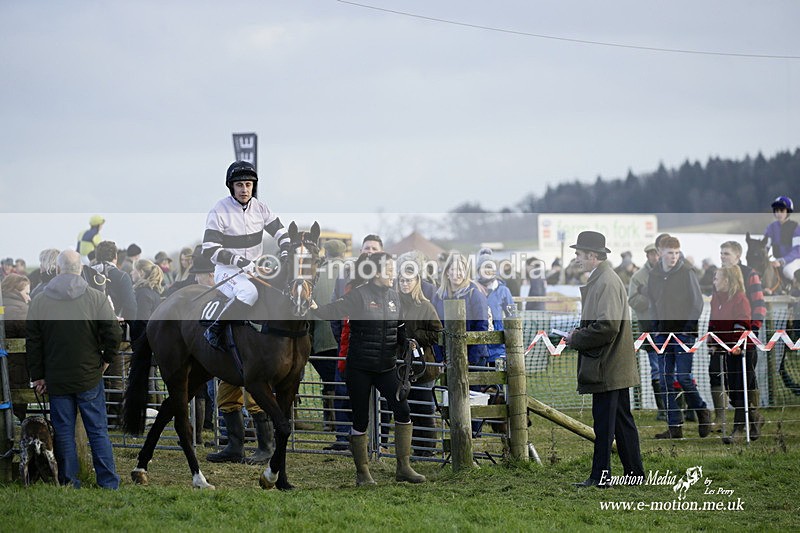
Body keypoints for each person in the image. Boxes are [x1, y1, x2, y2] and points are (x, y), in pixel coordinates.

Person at [313, 252, 426, 486]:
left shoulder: (395, 297)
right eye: (388, 269)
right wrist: (313, 305)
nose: (393, 273)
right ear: (375, 273)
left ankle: (403, 467)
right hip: (360, 368)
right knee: (360, 420)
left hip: (386, 368)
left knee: (403, 411)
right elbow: (331, 311)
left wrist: (406, 343)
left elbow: (400, 328)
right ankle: (362, 473)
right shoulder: (358, 295)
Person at [26, 249, 122, 489]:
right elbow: (114, 333)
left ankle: (70, 481)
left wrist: (38, 375)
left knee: (64, 432)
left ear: (57, 269)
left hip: (57, 378)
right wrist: (107, 359)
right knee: (98, 430)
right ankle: (108, 482)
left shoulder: (39, 301)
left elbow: (33, 342)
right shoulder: (96, 297)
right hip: (89, 374)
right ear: (80, 269)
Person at [564, 231, 644, 488]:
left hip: (607, 366)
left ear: (592, 255)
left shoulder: (606, 281)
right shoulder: (604, 278)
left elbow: (608, 326)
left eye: (579, 254)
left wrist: (576, 338)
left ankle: (601, 476)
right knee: (621, 423)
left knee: (605, 425)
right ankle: (635, 475)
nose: (576, 258)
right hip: (612, 365)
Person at [201, 160, 291, 350]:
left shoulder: (261, 208)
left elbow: (282, 233)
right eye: (239, 185)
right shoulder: (219, 210)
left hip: (256, 269)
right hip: (228, 272)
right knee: (248, 292)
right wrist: (239, 261)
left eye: (248, 185)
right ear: (231, 187)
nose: (244, 190)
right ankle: (215, 329)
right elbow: (209, 249)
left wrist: (285, 250)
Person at [648, 236, 712, 439]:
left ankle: (701, 410)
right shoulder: (655, 274)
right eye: (669, 253)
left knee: (683, 378)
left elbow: (697, 303)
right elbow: (653, 302)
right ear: (660, 252)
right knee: (665, 381)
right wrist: (656, 327)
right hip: (662, 335)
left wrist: (687, 328)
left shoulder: (687, 272)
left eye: (676, 253)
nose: (673, 257)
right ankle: (674, 426)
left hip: (684, 334)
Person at [708, 266, 763, 443]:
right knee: (732, 390)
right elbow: (713, 323)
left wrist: (737, 344)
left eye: (717, 278)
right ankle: (755, 419)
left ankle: (738, 430)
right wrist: (713, 343)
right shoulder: (715, 299)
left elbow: (742, 323)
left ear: (728, 280)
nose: (714, 281)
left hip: (743, 350)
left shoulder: (741, 299)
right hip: (726, 350)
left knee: (741, 389)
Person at [716, 240, 766, 433]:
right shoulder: (720, 276)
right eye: (721, 253)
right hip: (727, 337)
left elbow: (759, 305)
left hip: (747, 334)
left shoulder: (750, 274)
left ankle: (739, 428)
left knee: (745, 378)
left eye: (726, 253)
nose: (722, 257)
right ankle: (755, 419)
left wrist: (752, 331)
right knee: (732, 381)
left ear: (738, 256)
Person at [397, 258, 443, 456]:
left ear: (416, 282)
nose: (405, 284)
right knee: (409, 408)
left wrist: (416, 338)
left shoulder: (425, 306)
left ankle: (428, 448)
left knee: (425, 408)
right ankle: (415, 448)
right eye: (402, 280)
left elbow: (437, 333)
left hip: (423, 365)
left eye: (409, 280)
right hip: (401, 365)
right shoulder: (395, 305)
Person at [628, 243, 666, 421]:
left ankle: (678, 408)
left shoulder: (669, 273)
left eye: (657, 254)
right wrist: (651, 301)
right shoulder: (638, 277)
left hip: (668, 327)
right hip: (649, 328)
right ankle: (662, 408)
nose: (655, 257)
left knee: (673, 367)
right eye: (652, 254)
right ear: (648, 256)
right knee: (656, 367)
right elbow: (632, 300)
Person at [1, 273, 32, 422]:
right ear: (16, 290)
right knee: (17, 411)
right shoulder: (21, 311)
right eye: (27, 293)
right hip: (16, 370)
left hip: (5, 368)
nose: (29, 298)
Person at [92, 240, 137, 321]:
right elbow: (131, 307)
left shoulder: (87, 274)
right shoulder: (122, 276)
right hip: (113, 326)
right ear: (115, 256)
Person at [764, 196, 800, 282]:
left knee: (787, 271)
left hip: (795, 260)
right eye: (776, 211)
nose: (779, 213)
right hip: (777, 260)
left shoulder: (795, 227)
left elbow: (797, 251)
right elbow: (765, 246)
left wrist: (782, 261)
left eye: (782, 210)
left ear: (788, 211)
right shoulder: (771, 228)